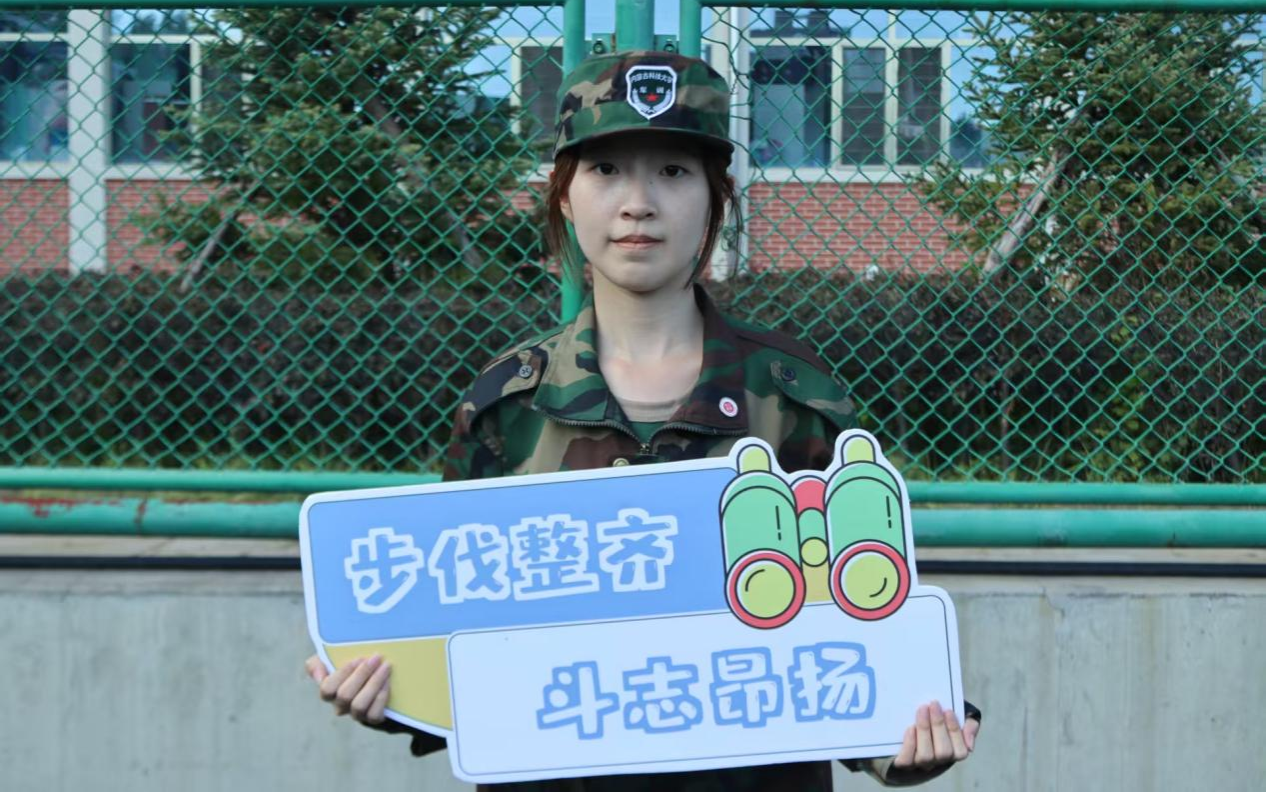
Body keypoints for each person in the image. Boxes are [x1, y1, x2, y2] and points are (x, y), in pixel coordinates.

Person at [305, 49, 981, 789]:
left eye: (673, 171)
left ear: (716, 196)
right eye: (605, 170)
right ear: (565, 197)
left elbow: (862, 621)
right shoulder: (506, 404)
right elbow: (458, 636)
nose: (638, 203)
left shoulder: (795, 397)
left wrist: (904, 740)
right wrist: (387, 695)